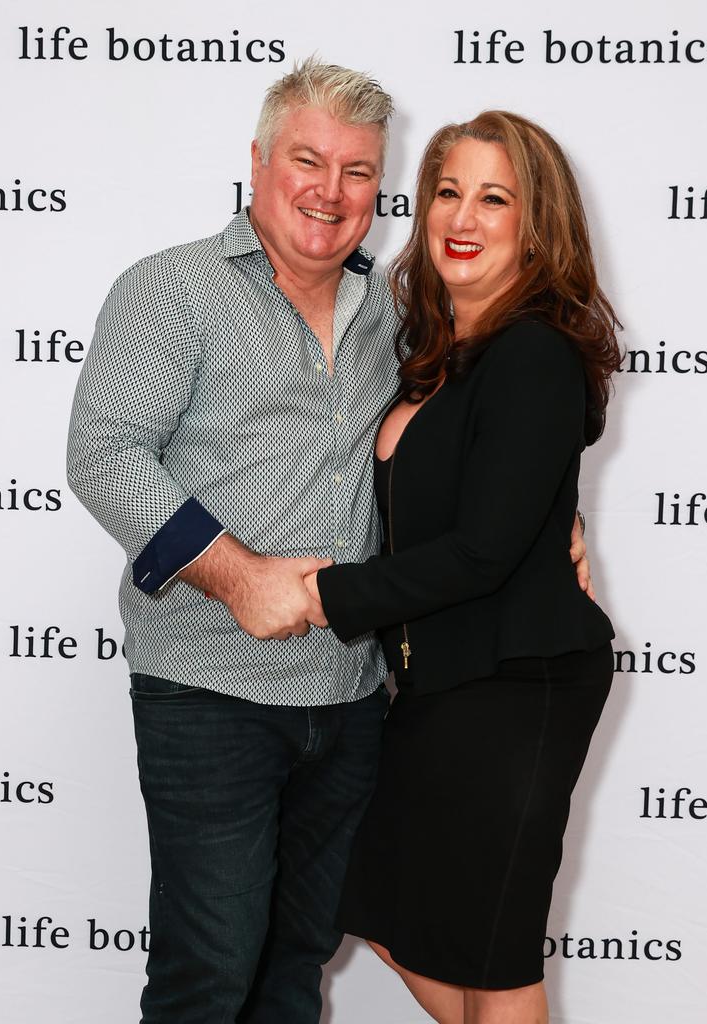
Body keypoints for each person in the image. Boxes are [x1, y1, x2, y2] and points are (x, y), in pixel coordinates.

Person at [66, 59, 594, 1024]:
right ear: (258, 161)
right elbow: (103, 456)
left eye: (358, 171)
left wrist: (558, 519)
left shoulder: (397, 313)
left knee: (297, 964)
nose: (331, 190)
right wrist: (235, 578)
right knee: (209, 972)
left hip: (353, 701)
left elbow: (483, 446)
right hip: (210, 692)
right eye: (307, 159)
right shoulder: (171, 290)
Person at [304, 111, 622, 1024]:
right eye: (448, 191)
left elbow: (483, 550)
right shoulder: (438, 353)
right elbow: (493, 496)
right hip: (447, 682)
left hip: (521, 684)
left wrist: (325, 597)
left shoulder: (531, 352)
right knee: (387, 907)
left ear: (537, 224)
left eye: (495, 198)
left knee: (497, 960)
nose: (464, 216)